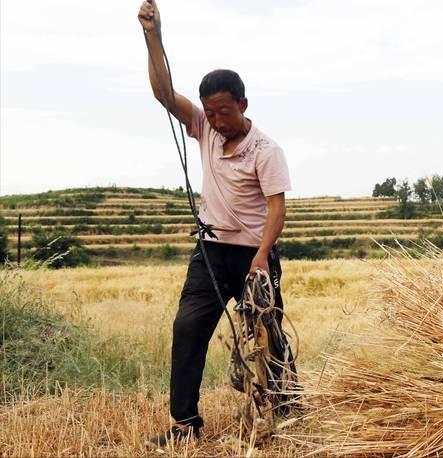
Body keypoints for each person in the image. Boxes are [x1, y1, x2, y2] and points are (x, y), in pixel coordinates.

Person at [137, 0, 295, 447]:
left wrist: (263, 256)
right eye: (212, 111)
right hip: (210, 251)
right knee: (188, 328)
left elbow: (276, 208)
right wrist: (153, 36)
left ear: (243, 104)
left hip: (253, 253)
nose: (218, 120)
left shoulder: (266, 150)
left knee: (269, 331)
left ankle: (285, 405)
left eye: (226, 111)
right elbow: (163, 93)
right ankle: (185, 423)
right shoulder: (204, 126)